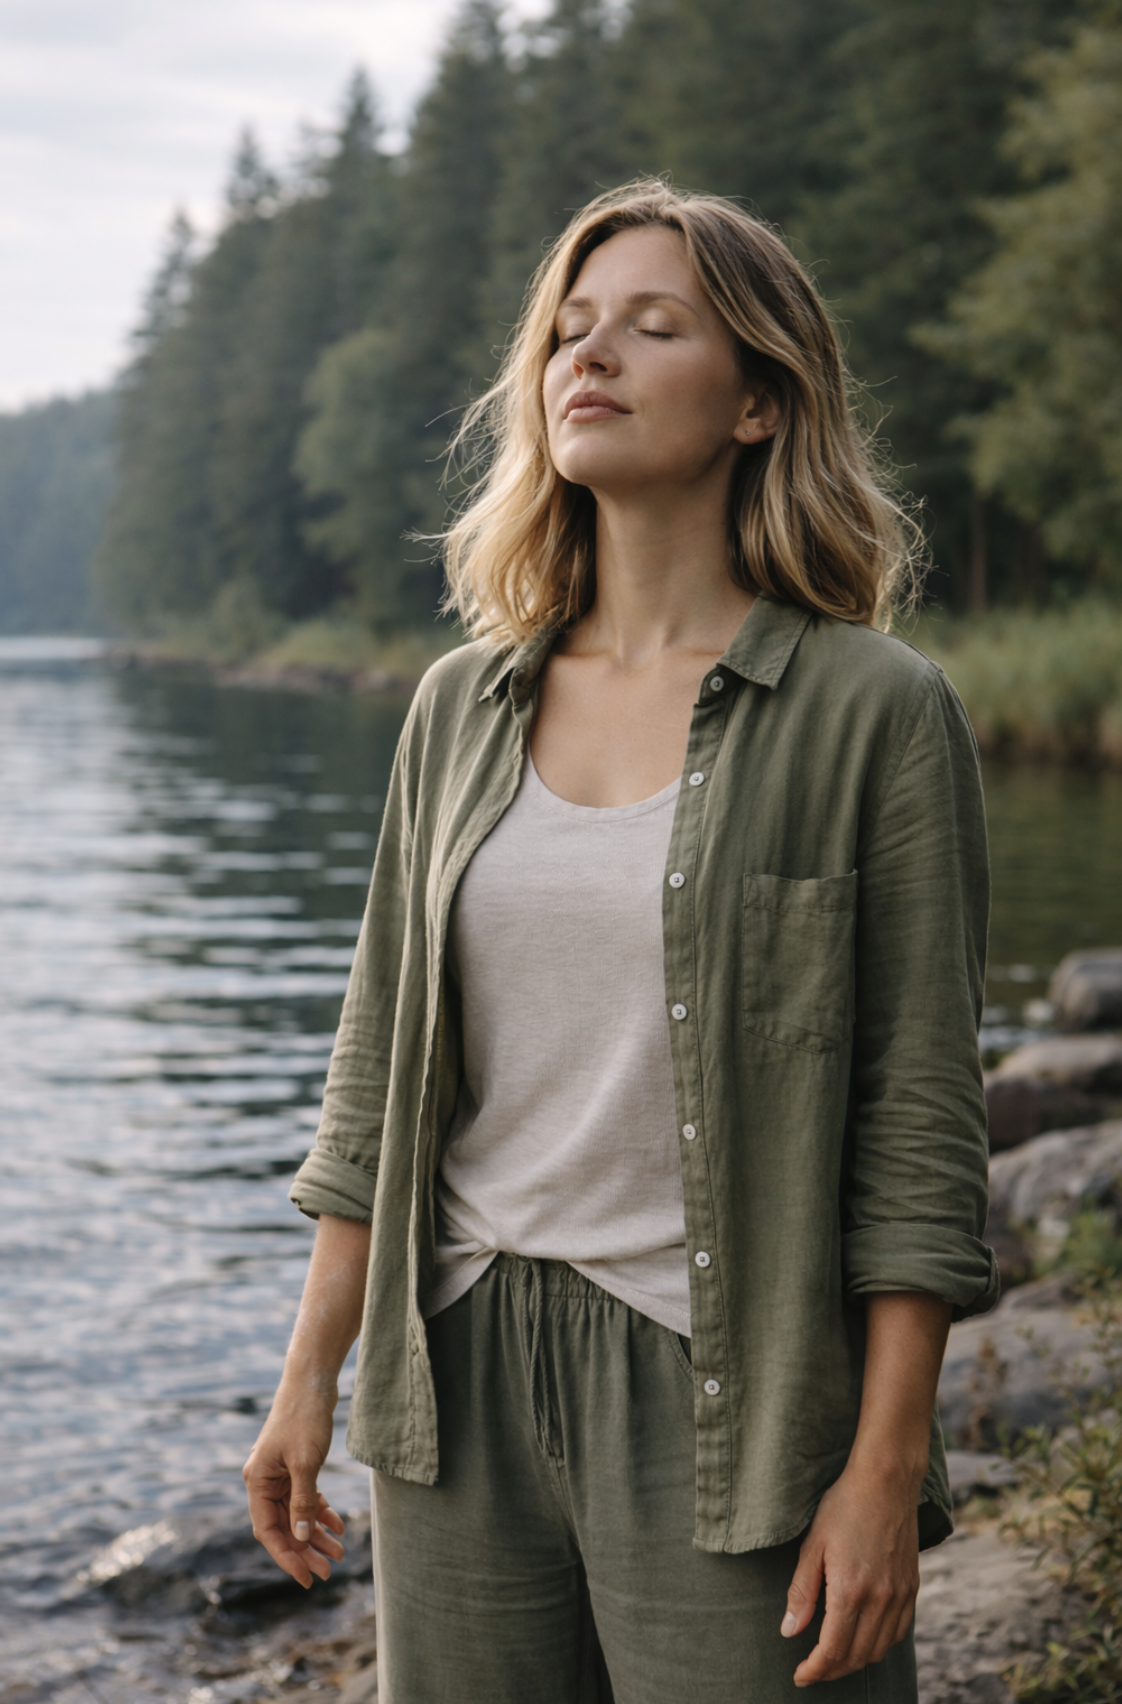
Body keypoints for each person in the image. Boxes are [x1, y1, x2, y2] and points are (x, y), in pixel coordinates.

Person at [243, 181, 997, 1702]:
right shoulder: (459, 707)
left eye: (653, 327)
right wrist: (309, 1374)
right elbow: (378, 1067)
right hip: (455, 1373)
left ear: (759, 404)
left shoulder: (873, 710)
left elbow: (917, 1124)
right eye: (568, 331)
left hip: (734, 1390)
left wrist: (881, 1473)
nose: (588, 356)